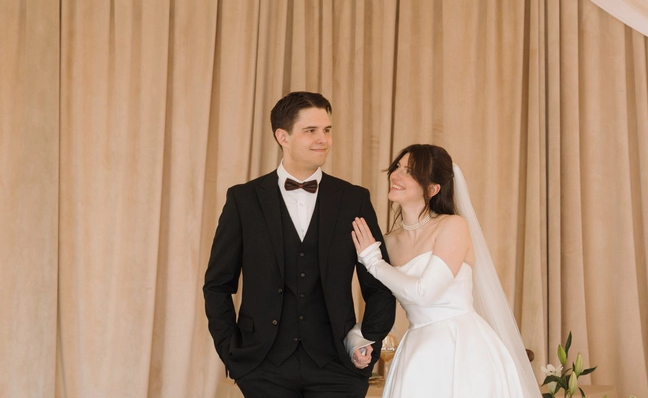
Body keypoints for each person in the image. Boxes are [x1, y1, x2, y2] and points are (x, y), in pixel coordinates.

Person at [204, 91, 397, 398]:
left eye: (327, 130)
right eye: (311, 130)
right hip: (262, 366)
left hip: (338, 366)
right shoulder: (243, 200)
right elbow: (217, 284)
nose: (324, 139)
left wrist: (367, 341)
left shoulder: (353, 200)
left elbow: (380, 284)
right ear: (283, 136)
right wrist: (231, 352)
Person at [349, 144, 541, 398]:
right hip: (416, 352)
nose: (396, 175)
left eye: (409, 171)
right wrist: (356, 338)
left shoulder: (453, 226)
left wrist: (373, 262)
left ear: (433, 189)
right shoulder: (388, 243)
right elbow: (380, 303)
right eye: (397, 167)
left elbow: (424, 293)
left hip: (462, 346)